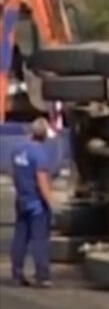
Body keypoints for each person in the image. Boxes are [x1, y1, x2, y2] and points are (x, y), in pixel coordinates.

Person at [10, 118, 55, 288]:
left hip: (22, 199)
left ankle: (17, 273)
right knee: (39, 240)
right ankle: (42, 276)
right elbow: (42, 180)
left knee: (20, 239)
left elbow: (13, 172)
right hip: (37, 204)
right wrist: (50, 202)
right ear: (43, 136)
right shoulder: (39, 154)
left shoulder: (17, 149)